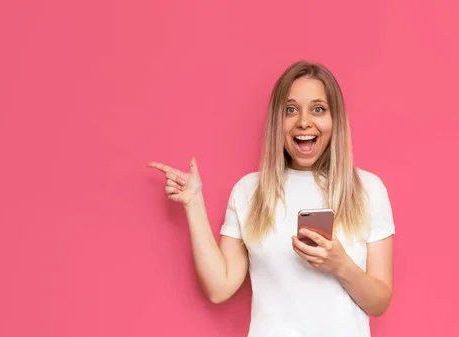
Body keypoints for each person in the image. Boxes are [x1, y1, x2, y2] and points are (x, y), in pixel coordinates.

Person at [148, 60, 395, 337]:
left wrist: (340, 264)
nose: (303, 121)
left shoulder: (368, 189)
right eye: (290, 110)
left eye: (318, 109)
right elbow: (220, 287)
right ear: (277, 120)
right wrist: (193, 202)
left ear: (335, 119)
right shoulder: (249, 191)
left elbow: (379, 302)